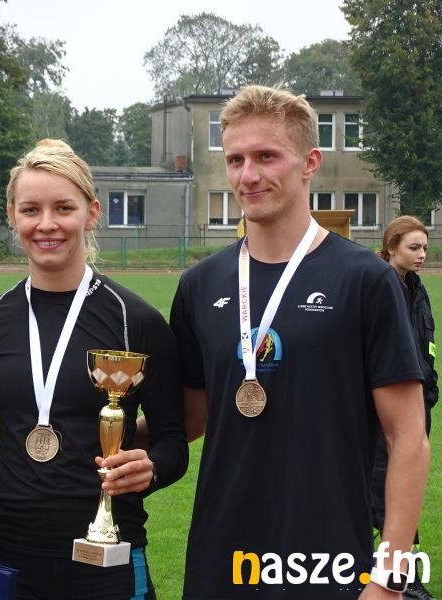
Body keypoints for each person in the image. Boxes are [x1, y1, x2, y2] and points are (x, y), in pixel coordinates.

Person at [169, 85, 429, 599]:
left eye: (267, 156)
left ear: (310, 162)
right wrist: (100, 429)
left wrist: (391, 577)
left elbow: (408, 437)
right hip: (220, 559)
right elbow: (192, 417)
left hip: (326, 561)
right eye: (236, 159)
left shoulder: (364, 279)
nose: (248, 175)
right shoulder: (200, 284)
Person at [0, 139, 188, 599]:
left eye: (63, 208)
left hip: (107, 556)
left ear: (91, 213)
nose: (46, 224)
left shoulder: (136, 321)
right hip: (5, 554)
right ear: (12, 216)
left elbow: (173, 440)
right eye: (31, 210)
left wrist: (151, 469)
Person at [373, 215, 437, 600]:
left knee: (405, 488)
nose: (422, 255)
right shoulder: (378, 287)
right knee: (384, 490)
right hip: (384, 410)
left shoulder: (416, 287)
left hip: (417, 405)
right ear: (391, 246)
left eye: (425, 247)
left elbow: (425, 345)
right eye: (414, 247)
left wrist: (430, 389)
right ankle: (401, 580)